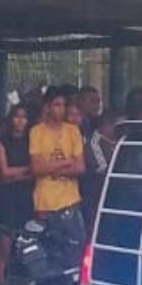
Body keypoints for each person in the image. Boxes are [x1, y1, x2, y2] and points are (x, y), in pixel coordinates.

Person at [29, 90, 86, 268]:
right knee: (48, 251)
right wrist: (66, 163)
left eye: (63, 105)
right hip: (45, 201)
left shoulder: (73, 131)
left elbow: (81, 167)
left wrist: (52, 168)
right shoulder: (37, 132)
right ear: (47, 107)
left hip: (70, 200)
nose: (61, 110)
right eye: (57, 105)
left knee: (75, 247)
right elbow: (36, 168)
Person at [0, 104, 34, 283]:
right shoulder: (1, 142)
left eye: (24, 117)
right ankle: (0, 282)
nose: (20, 121)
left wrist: (16, 174)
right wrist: (26, 171)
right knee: (5, 245)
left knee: (26, 243)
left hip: (26, 196)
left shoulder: (31, 141)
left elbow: (34, 170)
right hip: (8, 198)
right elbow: (4, 172)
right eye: (17, 117)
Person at [84, 111, 121, 240]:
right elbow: (104, 169)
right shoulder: (93, 143)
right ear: (107, 126)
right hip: (96, 199)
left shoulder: (115, 142)